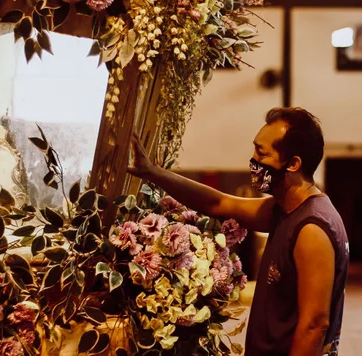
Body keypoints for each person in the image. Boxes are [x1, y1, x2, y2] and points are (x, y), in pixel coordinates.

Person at [128, 107, 349, 356]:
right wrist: (152, 172)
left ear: (294, 163)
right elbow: (218, 203)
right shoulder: (283, 209)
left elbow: (314, 325)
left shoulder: (311, 228)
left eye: (261, 153)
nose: (253, 160)